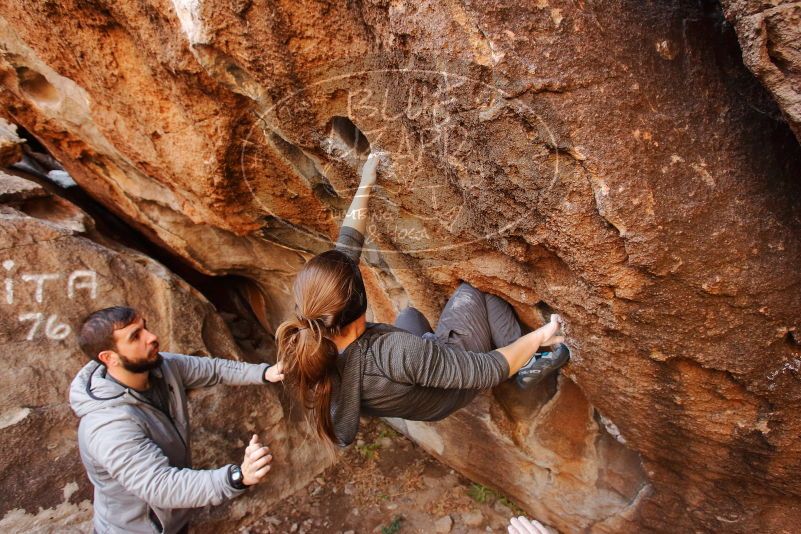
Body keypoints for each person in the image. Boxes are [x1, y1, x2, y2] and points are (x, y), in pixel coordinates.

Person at [276, 152, 570, 446]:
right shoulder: (394, 352)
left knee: (408, 317)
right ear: (358, 304)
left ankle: (456, 356)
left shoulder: (315, 323)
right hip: (451, 391)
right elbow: (483, 370)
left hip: (421, 396)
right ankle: (532, 359)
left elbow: (347, 246)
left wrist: (366, 181)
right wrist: (538, 336)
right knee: (476, 289)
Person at [69, 306, 285, 534]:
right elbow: (160, 485)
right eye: (135, 336)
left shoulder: (162, 368)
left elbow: (214, 369)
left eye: (145, 327)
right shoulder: (109, 426)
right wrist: (238, 477)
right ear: (109, 357)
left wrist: (265, 373)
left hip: (172, 522)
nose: (151, 337)